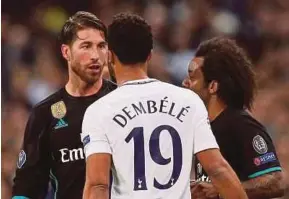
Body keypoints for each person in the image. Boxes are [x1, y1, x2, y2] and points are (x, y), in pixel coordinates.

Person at [81, 12, 248, 199]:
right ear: (150, 55)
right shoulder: (188, 101)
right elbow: (218, 169)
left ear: (109, 56)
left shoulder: (99, 111)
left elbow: (98, 185)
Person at [12, 11, 117, 199]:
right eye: (86, 46)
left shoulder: (121, 100)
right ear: (66, 52)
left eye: (101, 46)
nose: (95, 55)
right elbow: (27, 186)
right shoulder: (45, 114)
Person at [182, 37, 285, 199]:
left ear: (212, 86)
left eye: (193, 77)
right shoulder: (205, 127)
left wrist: (222, 188)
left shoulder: (242, 125)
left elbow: (275, 182)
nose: (185, 83)